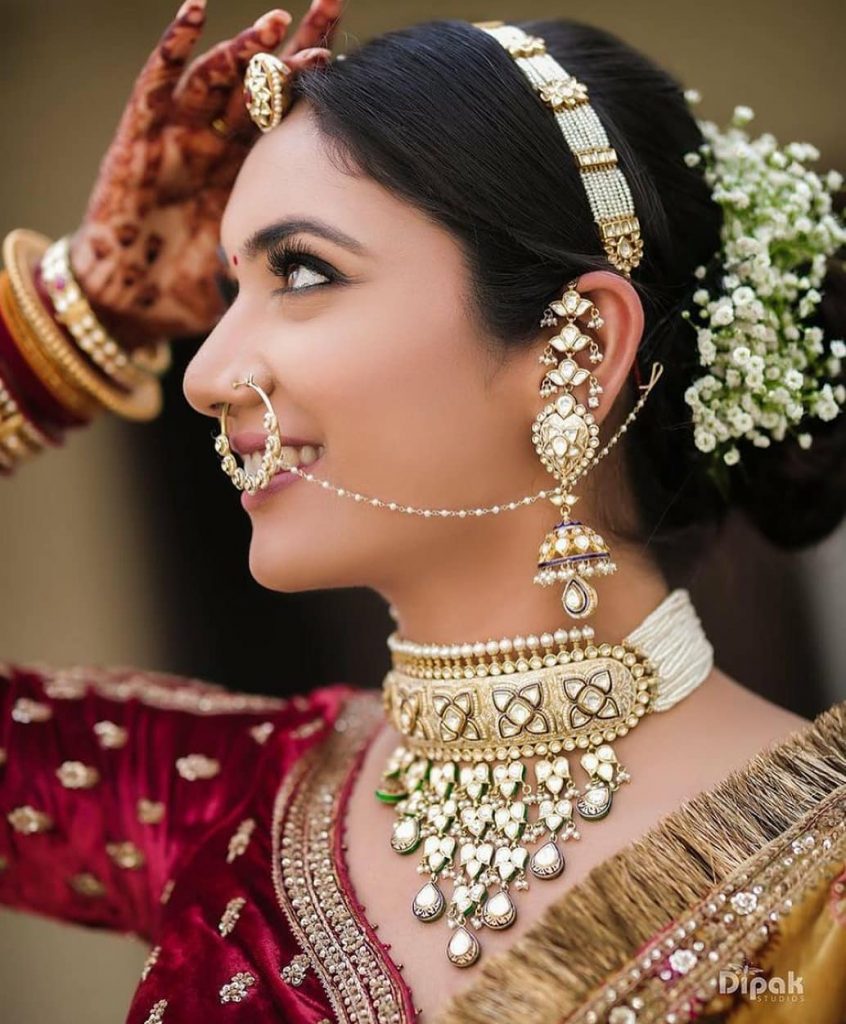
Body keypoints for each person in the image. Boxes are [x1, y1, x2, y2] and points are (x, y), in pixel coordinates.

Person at [1, 2, 845, 1021]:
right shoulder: (226, 802)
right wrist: (69, 322)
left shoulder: (820, 890)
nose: (207, 372)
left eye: (301, 272)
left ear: (575, 347)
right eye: (232, 287)